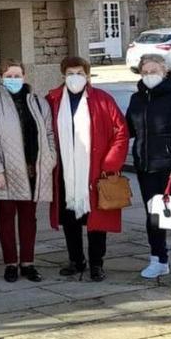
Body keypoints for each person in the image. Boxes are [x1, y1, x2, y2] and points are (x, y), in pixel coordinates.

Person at [45, 57, 129, 283]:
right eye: (70, 73)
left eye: (79, 72)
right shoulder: (52, 100)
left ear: (87, 75)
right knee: (69, 217)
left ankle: (96, 263)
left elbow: (120, 132)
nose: (75, 77)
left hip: (95, 170)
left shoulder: (102, 100)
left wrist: (110, 164)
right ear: (63, 75)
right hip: (64, 170)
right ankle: (76, 260)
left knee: (97, 220)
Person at [0, 60, 57, 283]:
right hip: (4, 171)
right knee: (5, 217)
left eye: (17, 75)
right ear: (1, 77)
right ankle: (11, 263)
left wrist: (49, 160)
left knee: (28, 218)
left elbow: (49, 134)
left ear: (24, 76)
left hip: (33, 169)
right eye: (9, 76)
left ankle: (28, 263)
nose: (14, 80)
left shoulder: (38, 102)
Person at [126, 54, 171, 285]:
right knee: (153, 217)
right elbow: (128, 128)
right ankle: (158, 259)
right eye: (145, 72)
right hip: (146, 168)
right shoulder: (136, 99)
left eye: (154, 71)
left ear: (165, 71)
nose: (149, 75)